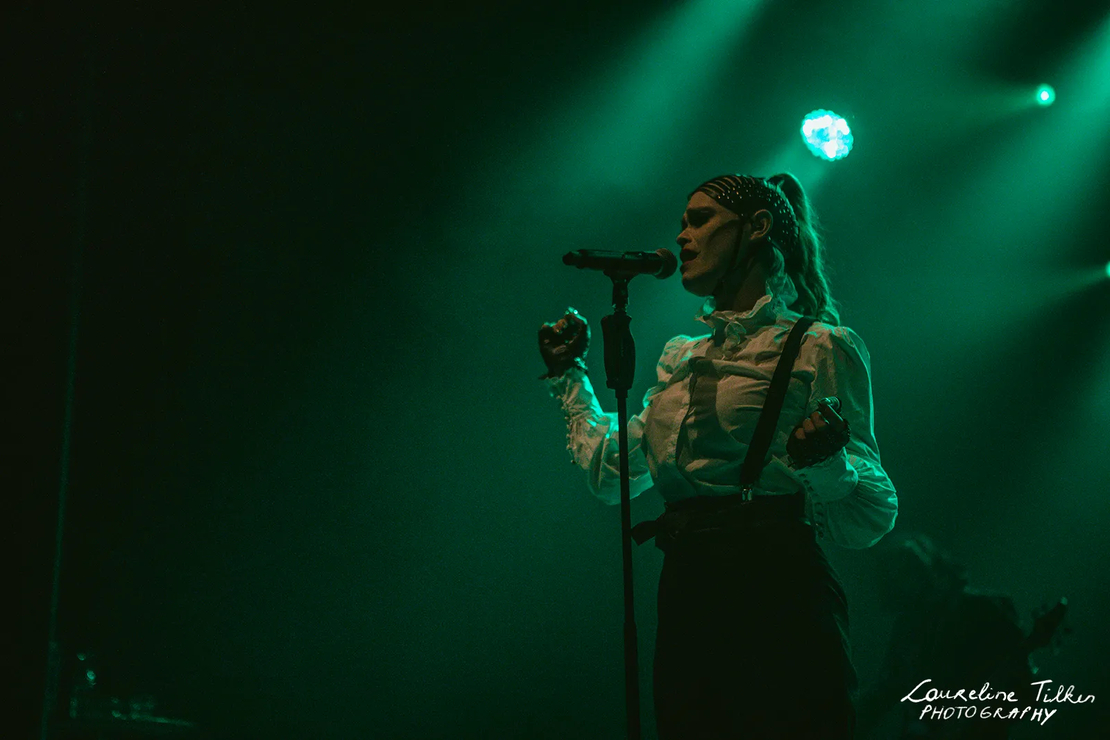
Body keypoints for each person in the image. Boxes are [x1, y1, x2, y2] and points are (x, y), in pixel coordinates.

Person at [538, 173, 898, 739]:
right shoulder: (682, 357)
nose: (682, 236)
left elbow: (872, 513)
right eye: (682, 223)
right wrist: (569, 374)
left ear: (757, 227)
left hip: (777, 584)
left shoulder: (819, 345)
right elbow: (612, 474)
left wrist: (827, 463)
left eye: (701, 220)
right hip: (688, 586)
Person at [856, 534, 1044, 740]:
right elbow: (887, 688)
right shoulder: (907, 627)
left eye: (908, 567)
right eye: (895, 573)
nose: (901, 579)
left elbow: (1024, 691)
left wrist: (978, 716)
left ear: (931, 567)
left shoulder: (984, 609)